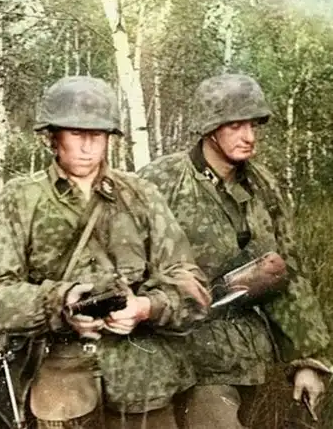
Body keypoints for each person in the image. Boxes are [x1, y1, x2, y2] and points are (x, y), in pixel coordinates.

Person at [0, 75, 212, 429]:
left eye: (97, 135)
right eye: (76, 133)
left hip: (143, 380)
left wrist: (146, 307)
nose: (87, 146)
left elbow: (192, 285)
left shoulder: (140, 195)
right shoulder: (22, 199)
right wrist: (60, 302)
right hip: (61, 383)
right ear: (53, 137)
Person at [138, 73, 331, 428]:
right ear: (210, 128)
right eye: (235, 126)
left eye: (253, 125)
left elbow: (287, 270)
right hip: (172, 353)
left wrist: (306, 360)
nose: (249, 136)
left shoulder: (263, 186)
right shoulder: (160, 180)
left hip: (240, 358)